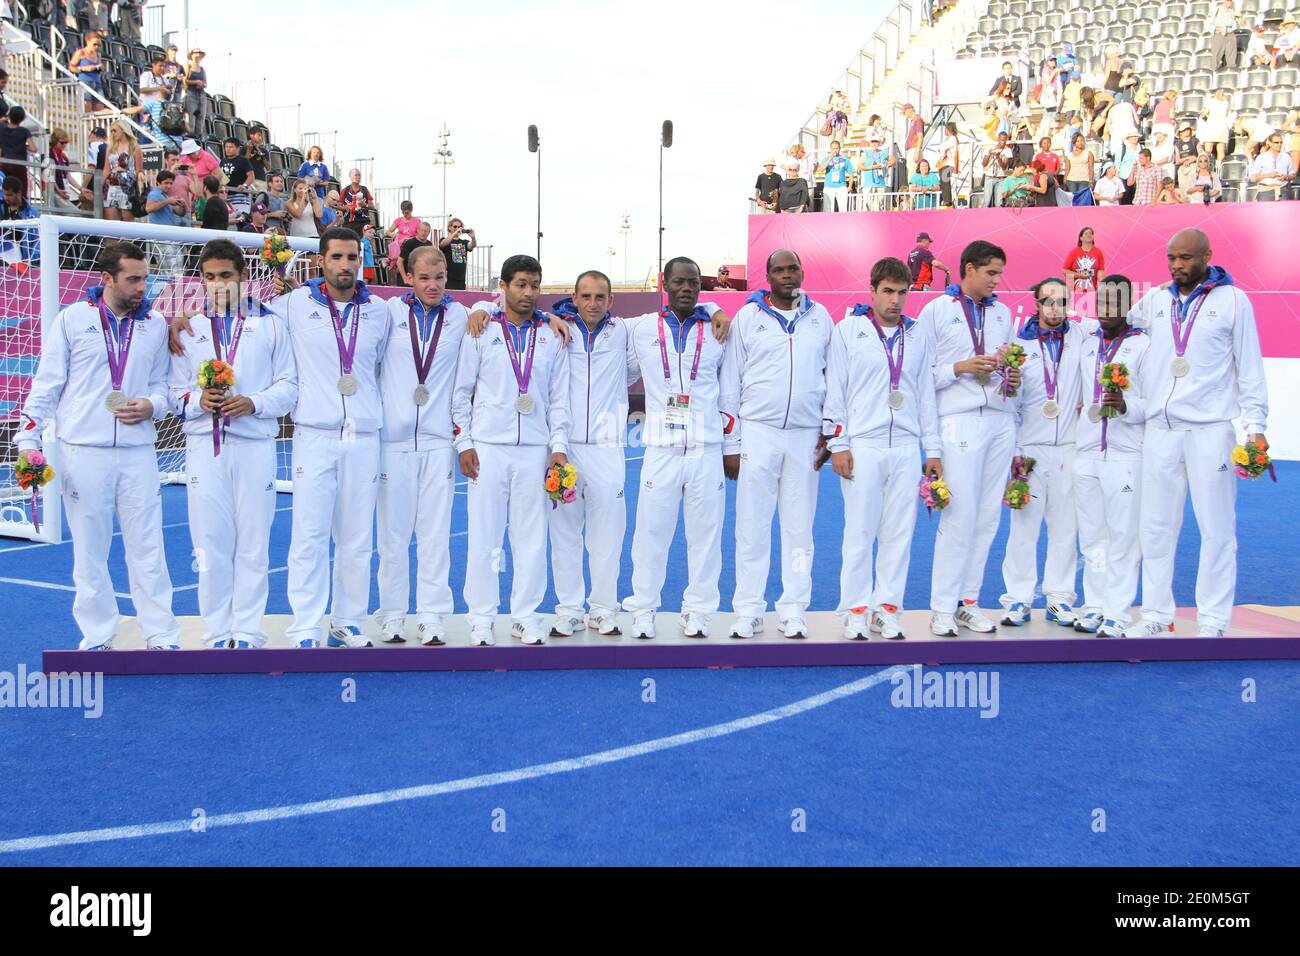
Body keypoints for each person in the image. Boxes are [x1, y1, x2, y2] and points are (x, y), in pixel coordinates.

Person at [16, 242, 180, 651]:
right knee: (90, 549)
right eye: (134, 279)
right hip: (83, 450)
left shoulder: (156, 324)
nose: (143, 286)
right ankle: (98, 633)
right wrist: (27, 437)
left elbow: (164, 384)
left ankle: (160, 633)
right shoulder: (72, 320)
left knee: (148, 545)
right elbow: (48, 383)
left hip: (139, 450)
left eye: (146, 278)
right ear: (107, 279)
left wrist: (153, 405)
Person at [1125, 229, 1268, 637]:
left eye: (1186, 258)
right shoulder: (1154, 300)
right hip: (1160, 431)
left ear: (1207, 255)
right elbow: (1114, 328)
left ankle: (1214, 619)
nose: (1177, 265)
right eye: (1171, 257)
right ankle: (1155, 614)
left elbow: (1250, 368)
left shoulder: (1234, 302)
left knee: (1217, 527)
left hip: (1210, 430)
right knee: (1154, 526)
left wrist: (1255, 427)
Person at [167, 239, 297, 649]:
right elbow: (172, 391)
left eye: (226, 276)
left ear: (242, 277)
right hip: (205, 449)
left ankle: (248, 630)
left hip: (255, 446)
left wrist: (254, 403)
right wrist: (196, 401)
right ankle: (217, 630)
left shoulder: (272, 324)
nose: (218, 284)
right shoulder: (188, 329)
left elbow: (290, 387)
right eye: (209, 277)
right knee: (210, 544)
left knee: (253, 543)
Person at [453, 255, 571, 647]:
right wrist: (465, 442)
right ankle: (481, 616)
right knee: (485, 536)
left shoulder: (553, 336)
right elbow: (461, 392)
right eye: (520, 284)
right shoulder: (481, 330)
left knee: (531, 538)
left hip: (534, 450)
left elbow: (558, 400)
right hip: (488, 448)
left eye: (535, 285)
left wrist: (558, 449)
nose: (528, 292)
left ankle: (525, 616)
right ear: (502, 287)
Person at [282, 228, 391, 648]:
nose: (345, 265)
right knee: (308, 534)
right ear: (321, 261)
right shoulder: (292, 305)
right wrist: (183, 318)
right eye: (337, 257)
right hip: (315, 434)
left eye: (352, 257)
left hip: (363, 437)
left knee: (357, 536)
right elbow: (240, 316)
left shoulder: (381, 311)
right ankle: (306, 625)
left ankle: (347, 621)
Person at [823, 257, 941, 641]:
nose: (894, 300)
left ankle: (886, 608)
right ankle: (854, 609)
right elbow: (835, 390)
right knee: (859, 530)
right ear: (872, 290)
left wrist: (933, 450)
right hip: (863, 444)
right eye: (887, 291)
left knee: (898, 532)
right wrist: (837, 442)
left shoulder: (918, 333)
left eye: (902, 293)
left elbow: (925, 395)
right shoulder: (848, 330)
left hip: (906, 446)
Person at [719, 250, 832, 640]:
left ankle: (794, 609)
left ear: (802, 271)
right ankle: (749, 609)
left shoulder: (821, 318)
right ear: (766, 276)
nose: (786, 275)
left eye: (792, 269)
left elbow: (833, 379)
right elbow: (729, 383)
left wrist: (830, 432)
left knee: (800, 529)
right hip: (758, 432)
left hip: (804, 436)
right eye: (778, 270)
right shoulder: (748, 318)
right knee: (752, 526)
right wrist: (730, 443)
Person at [624, 257, 732, 640]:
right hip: (661, 451)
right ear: (664, 284)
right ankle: (643, 608)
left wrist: (716, 308)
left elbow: (730, 390)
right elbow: (591, 317)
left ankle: (698, 610)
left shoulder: (718, 331)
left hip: (706, 451)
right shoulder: (639, 330)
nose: (686, 288)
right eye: (679, 282)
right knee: (650, 534)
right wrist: (489, 304)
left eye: (693, 283)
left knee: (705, 537)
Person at [918, 240, 1020, 637]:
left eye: (999, 273)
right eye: (991, 273)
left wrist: (1010, 377)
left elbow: (1010, 368)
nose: (998, 280)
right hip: (957, 422)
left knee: (987, 518)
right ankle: (942, 606)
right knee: (958, 517)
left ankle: (969, 602)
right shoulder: (937, 311)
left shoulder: (1003, 313)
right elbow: (918, 374)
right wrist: (958, 367)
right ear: (970, 269)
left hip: (999, 421)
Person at [374, 246, 469, 647]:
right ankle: (392, 614)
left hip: (436, 441)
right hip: (391, 442)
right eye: (425, 277)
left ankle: (431, 616)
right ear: (408, 276)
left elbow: (511, 314)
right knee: (392, 536)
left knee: (435, 535)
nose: (433, 285)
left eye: (440, 277)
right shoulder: (386, 313)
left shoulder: (462, 317)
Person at [540, 272, 632, 637]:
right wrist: (558, 448)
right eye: (586, 296)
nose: (593, 303)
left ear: (611, 300)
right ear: (573, 298)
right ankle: (568, 610)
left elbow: (687, 307)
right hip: (565, 450)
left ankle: (604, 609)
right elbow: (498, 305)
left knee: (607, 536)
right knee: (564, 534)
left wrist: (716, 306)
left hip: (608, 450)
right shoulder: (555, 330)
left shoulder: (625, 330)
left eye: (600, 297)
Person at [999, 277, 1086, 629]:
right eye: (1048, 301)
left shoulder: (1082, 337)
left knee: (1066, 527)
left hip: (1069, 447)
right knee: (1023, 528)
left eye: (1061, 301)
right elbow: (1012, 404)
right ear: (1036, 303)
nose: (1055, 308)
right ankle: (1018, 599)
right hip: (1031, 450)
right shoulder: (1017, 345)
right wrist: (1016, 452)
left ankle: (1060, 598)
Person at [1072, 274, 1151, 638]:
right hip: (1086, 451)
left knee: (1123, 537)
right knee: (1091, 538)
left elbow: (1156, 403)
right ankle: (1094, 605)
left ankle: (1118, 612)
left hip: (1125, 454)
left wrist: (1126, 406)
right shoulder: (1086, 344)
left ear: (1128, 305)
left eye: (1115, 303)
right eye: (1102, 302)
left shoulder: (1144, 346)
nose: (1106, 310)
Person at [1248, 132, 1294, 201]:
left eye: (1281, 142)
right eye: (1276, 142)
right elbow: (1252, 177)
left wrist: (1286, 177)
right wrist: (1268, 175)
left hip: (1283, 191)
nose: (1279, 144)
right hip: (1265, 191)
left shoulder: (1287, 157)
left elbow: (1293, 174)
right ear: (1269, 143)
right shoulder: (1261, 157)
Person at [1064, 226, 1105, 295]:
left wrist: (1101, 288)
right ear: (1081, 238)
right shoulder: (1074, 252)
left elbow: (1100, 272)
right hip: (1075, 291)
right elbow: (1064, 271)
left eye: (1091, 233)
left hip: (1092, 291)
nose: (1089, 235)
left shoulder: (1098, 252)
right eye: (1086, 233)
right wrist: (1079, 275)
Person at [385, 200, 423, 275]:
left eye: (407, 213)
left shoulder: (417, 221)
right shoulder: (398, 221)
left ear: (411, 210)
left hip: (411, 245)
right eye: (403, 212)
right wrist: (394, 235)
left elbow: (420, 234)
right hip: (400, 246)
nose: (405, 214)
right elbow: (388, 232)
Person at [69, 33, 104, 110]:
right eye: (94, 44)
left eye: (98, 45)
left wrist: (100, 68)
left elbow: (100, 71)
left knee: (100, 106)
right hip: (85, 81)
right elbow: (71, 67)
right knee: (87, 105)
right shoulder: (81, 52)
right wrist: (83, 68)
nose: (96, 47)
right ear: (88, 41)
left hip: (97, 82)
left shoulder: (98, 55)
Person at [439, 217, 476, 290]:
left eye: (459, 227)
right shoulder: (445, 240)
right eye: (455, 226)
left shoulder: (464, 242)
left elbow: (472, 245)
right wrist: (454, 234)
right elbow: (442, 244)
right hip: (448, 280)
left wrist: (473, 238)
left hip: (461, 280)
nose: (457, 228)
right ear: (449, 228)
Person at [820, 140, 854, 212]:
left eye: (837, 148)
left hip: (841, 186)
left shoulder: (845, 159)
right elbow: (821, 169)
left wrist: (850, 186)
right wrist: (830, 158)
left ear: (840, 148)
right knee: (828, 209)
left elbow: (851, 172)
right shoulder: (826, 159)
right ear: (830, 149)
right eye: (833, 149)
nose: (835, 150)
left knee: (843, 208)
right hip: (829, 186)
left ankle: (843, 222)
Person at [1207, 0, 1242, 70]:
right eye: (1227, 0)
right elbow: (1208, 25)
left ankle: (1231, 73)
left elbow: (1242, 24)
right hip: (1219, 35)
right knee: (1216, 57)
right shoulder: (1216, 10)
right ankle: (1214, 73)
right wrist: (1219, 29)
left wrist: (1241, 16)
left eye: (1230, 1)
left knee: (1231, 58)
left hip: (1230, 34)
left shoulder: (1232, 12)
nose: (1229, 2)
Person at [338, 168, 372, 235]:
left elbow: (372, 206)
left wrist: (364, 205)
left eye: (359, 175)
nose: (358, 177)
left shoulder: (365, 190)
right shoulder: (345, 190)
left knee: (364, 243)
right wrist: (345, 207)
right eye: (355, 175)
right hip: (349, 222)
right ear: (350, 177)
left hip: (363, 221)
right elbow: (339, 205)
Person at [983, 132, 1014, 207]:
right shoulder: (989, 148)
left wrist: (997, 157)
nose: (1003, 142)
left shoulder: (1008, 151)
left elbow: (1004, 166)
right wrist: (989, 154)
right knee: (986, 201)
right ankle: (982, 217)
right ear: (998, 139)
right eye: (1001, 140)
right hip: (989, 177)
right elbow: (984, 164)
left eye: (1005, 140)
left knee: (998, 202)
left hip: (1001, 178)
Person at [182, 49, 207, 136]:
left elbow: (206, 83)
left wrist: (202, 84)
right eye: (195, 53)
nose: (197, 55)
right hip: (191, 94)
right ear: (191, 55)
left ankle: (198, 140)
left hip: (201, 95)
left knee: (200, 120)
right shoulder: (187, 67)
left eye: (199, 53)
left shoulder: (202, 69)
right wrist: (196, 82)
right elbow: (184, 81)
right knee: (191, 120)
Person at [860, 138, 891, 210]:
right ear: (870, 143)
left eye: (876, 142)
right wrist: (873, 167)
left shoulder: (883, 153)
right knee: (868, 205)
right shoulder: (866, 153)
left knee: (879, 206)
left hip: (880, 183)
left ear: (879, 144)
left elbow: (893, 160)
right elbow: (860, 166)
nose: (874, 144)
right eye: (872, 142)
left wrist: (888, 165)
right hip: (868, 183)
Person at [937, 122, 959, 206]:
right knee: (943, 181)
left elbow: (943, 148)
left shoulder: (952, 138)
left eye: (945, 129)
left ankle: (947, 200)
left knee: (945, 180)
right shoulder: (949, 138)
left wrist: (941, 153)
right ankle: (945, 198)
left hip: (948, 162)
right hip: (944, 162)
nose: (944, 131)